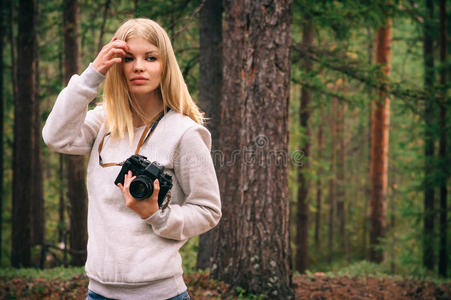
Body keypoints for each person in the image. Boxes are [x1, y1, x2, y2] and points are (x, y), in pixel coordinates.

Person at [42, 18, 221, 300]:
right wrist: (92, 76)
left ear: (165, 67)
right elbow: (55, 137)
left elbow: (208, 210)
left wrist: (156, 215)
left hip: (161, 294)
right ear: (116, 65)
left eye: (150, 58)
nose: (139, 66)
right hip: (98, 292)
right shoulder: (103, 122)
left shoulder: (185, 133)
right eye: (128, 58)